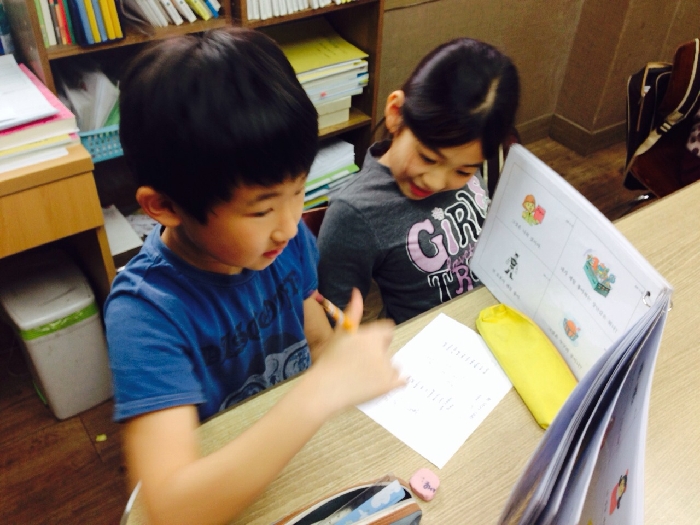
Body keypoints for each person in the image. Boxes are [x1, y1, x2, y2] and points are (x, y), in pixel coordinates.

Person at [104, 27, 403, 525]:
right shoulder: (145, 313)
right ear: (165, 206)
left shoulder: (280, 244)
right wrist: (322, 390)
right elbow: (173, 508)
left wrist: (340, 355)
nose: (289, 224)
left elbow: (316, 339)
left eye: (299, 189)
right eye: (261, 209)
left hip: (293, 461)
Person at [317, 38, 520, 324]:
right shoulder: (353, 213)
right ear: (395, 113)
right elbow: (335, 320)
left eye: (464, 171)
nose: (436, 182)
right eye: (427, 157)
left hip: (500, 315)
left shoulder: (470, 150)